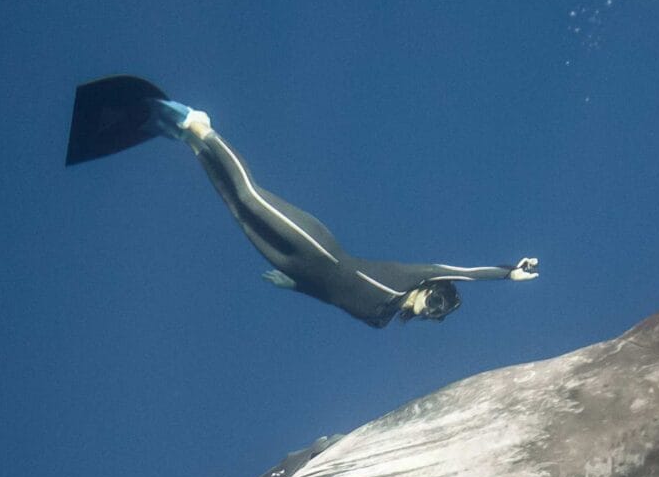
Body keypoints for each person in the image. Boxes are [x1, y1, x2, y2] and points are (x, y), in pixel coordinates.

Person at [65, 75, 540, 328]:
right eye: (436, 301)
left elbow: (331, 296)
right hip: (318, 247)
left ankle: (189, 142)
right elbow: (457, 270)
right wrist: (507, 271)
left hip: (297, 268)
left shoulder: (378, 320)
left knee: (235, 209)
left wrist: (294, 286)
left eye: (434, 313)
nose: (428, 307)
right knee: (251, 197)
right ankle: (201, 126)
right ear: (432, 290)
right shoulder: (410, 280)